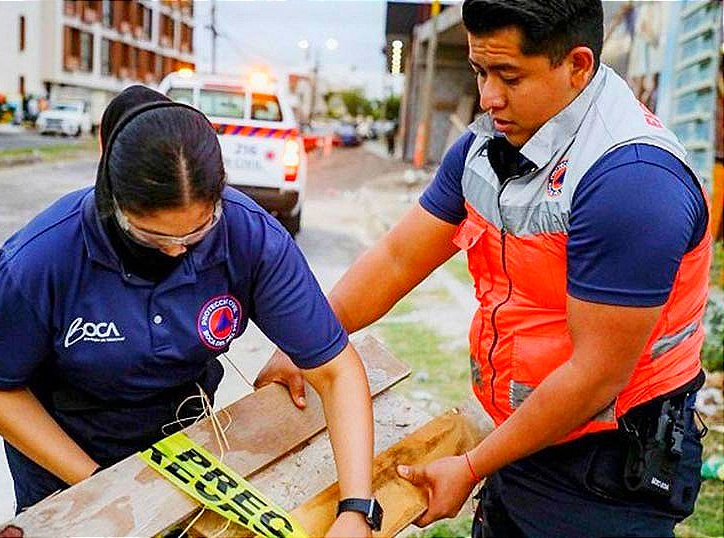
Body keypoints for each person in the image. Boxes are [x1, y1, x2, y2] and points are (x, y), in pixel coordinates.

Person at [255, 1, 712, 536]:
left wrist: (471, 467)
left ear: (577, 65)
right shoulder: (487, 146)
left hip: (609, 467)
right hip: (523, 436)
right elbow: (398, 258)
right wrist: (310, 343)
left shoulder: (632, 183)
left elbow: (595, 378)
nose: (487, 97)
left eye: (508, 76)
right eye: (479, 71)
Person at [0, 86, 375, 537]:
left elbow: (337, 371)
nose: (178, 250)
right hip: (66, 460)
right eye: (153, 236)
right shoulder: (42, 259)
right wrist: (98, 484)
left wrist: (356, 508)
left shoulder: (249, 237)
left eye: (198, 232)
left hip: (185, 449)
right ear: (112, 201)